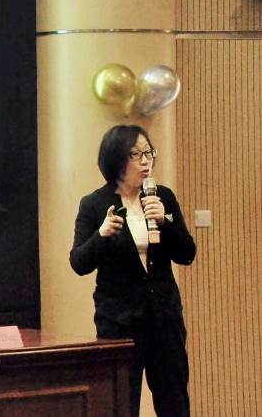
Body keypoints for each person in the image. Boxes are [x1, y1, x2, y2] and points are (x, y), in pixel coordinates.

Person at [70, 124, 196, 417]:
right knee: (122, 404)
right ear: (116, 159)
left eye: (149, 153)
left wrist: (166, 222)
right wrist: (101, 235)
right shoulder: (95, 204)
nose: (145, 161)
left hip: (164, 319)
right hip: (120, 323)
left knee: (174, 402)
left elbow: (187, 253)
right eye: (136, 154)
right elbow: (79, 263)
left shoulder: (162, 197)